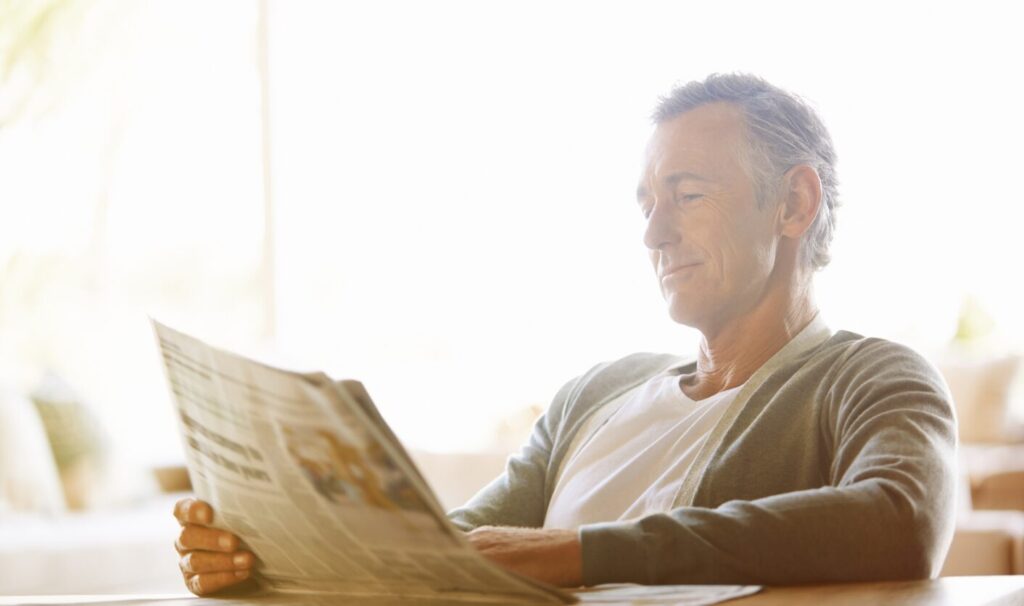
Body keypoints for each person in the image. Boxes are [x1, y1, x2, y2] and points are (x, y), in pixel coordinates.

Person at [173, 73, 957, 595]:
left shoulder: (874, 378)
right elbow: (454, 557)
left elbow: (900, 521)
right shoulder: (598, 393)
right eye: (646, 201)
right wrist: (270, 558)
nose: (653, 233)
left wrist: (580, 552)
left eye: (686, 195)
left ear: (793, 205)